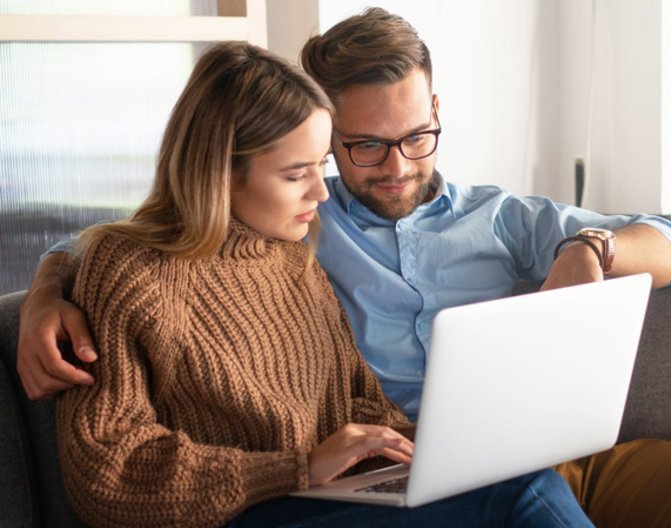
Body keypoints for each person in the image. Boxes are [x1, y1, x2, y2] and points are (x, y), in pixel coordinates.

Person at [19, 8, 671, 527]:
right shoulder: (303, 237)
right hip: (407, 482)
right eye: (359, 149)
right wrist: (49, 288)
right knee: (520, 500)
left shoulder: (499, 220)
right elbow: (144, 245)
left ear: (438, 111)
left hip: (550, 456)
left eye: (417, 136)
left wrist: (590, 250)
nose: (394, 166)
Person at [50, 41, 593, 528]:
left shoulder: (294, 259)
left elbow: (358, 405)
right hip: (239, 514)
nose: (322, 192)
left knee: (518, 478)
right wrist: (296, 469)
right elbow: (106, 473)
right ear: (219, 171)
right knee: (522, 495)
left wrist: (431, 450)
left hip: (324, 499)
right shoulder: (130, 272)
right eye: (295, 175)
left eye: (320, 165)